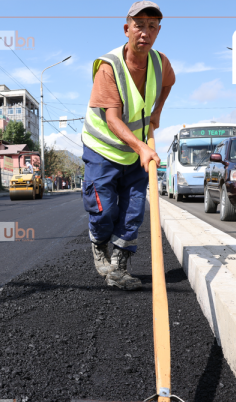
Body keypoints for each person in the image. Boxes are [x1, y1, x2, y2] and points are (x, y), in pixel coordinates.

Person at [81, 1, 175, 290]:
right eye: (139, 25)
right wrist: (143, 148)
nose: (145, 32)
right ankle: (99, 243)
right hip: (103, 148)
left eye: (151, 26)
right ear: (127, 29)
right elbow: (112, 119)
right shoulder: (109, 68)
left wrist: (157, 111)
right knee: (104, 209)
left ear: (158, 31)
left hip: (135, 151)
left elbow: (169, 83)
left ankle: (119, 269)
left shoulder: (161, 63)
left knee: (134, 209)